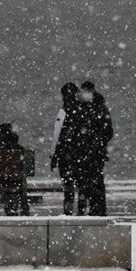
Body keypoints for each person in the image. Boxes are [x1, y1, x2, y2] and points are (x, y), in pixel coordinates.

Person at [75, 81, 114, 216]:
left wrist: (92, 140)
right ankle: (97, 208)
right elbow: (108, 131)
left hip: (90, 152)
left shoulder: (85, 108)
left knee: (91, 181)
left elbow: (108, 132)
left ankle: (94, 208)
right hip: (94, 152)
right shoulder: (99, 108)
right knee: (94, 181)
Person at [50, 82, 81, 215]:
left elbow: (57, 136)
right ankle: (81, 209)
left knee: (68, 186)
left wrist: (54, 156)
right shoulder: (82, 111)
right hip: (80, 154)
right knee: (80, 184)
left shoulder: (63, 112)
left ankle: (68, 211)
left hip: (65, 155)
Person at [0, 122, 30, 216]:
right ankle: (23, 209)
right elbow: (28, 170)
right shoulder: (19, 148)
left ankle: (11, 208)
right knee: (20, 183)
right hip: (16, 182)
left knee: (12, 183)